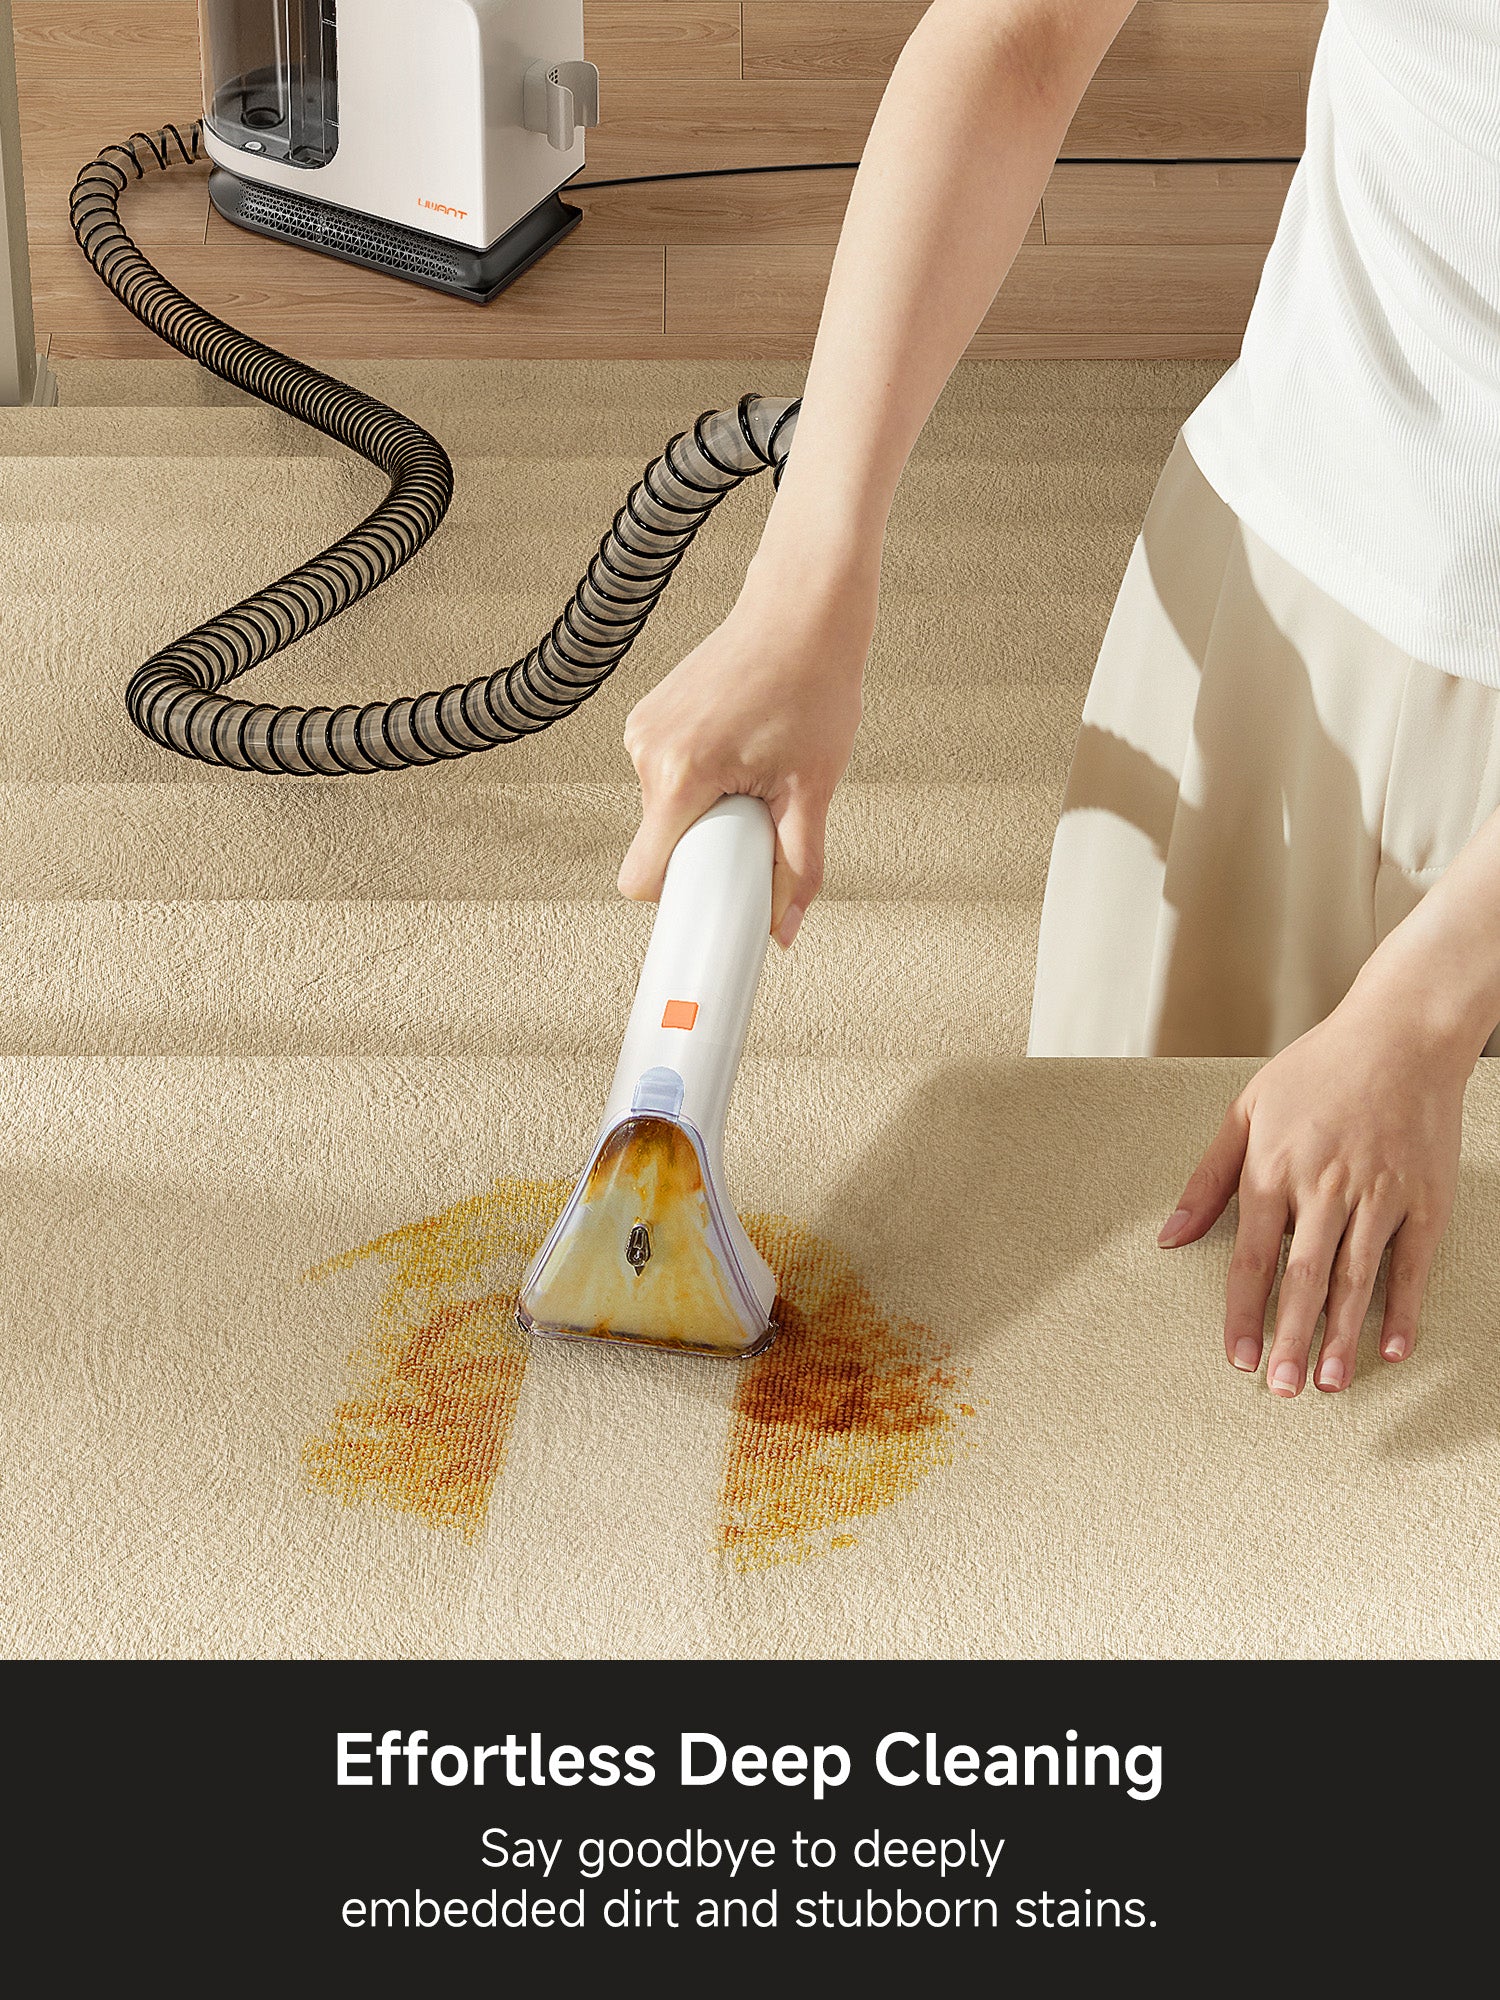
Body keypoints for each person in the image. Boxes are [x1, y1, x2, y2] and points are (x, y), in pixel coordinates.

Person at [615, 0, 1500, 1399]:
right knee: (1125, 1271)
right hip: (1269, 578)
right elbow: (1017, 40)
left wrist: (1436, 1004)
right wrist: (808, 578)